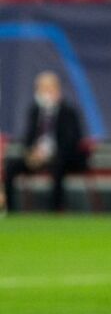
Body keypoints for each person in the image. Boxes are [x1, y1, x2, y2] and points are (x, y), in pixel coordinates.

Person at [3, 71, 88, 213]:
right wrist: (32, 153)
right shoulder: (34, 111)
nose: (45, 92)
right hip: (38, 157)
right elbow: (28, 138)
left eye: (49, 88)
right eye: (41, 88)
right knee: (12, 166)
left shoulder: (68, 112)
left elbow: (72, 141)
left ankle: (54, 211)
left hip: (62, 158)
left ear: (57, 89)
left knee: (57, 165)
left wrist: (50, 154)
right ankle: (11, 211)